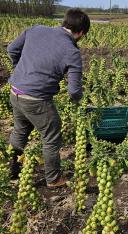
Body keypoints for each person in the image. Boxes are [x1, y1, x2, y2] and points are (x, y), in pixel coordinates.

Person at [7, 8, 90, 188]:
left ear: (65, 23)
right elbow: (74, 90)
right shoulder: (72, 51)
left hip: (15, 91)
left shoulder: (36, 29)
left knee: (20, 131)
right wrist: (78, 102)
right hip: (37, 100)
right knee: (52, 135)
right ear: (81, 33)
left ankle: (12, 169)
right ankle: (53, 179)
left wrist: (21, 71)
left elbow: (12, 49)